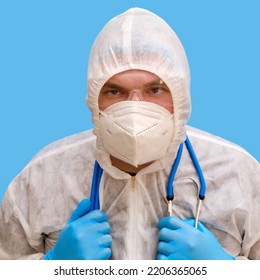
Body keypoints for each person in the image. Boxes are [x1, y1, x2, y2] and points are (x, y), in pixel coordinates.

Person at [0, 7, 260, 260]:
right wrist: (52, 268)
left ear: (180, 97)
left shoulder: (238, 172)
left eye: (154, 90)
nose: (135, 108)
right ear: (94, 100)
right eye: (115, 92)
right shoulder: (43, 175)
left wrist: (223, 270)